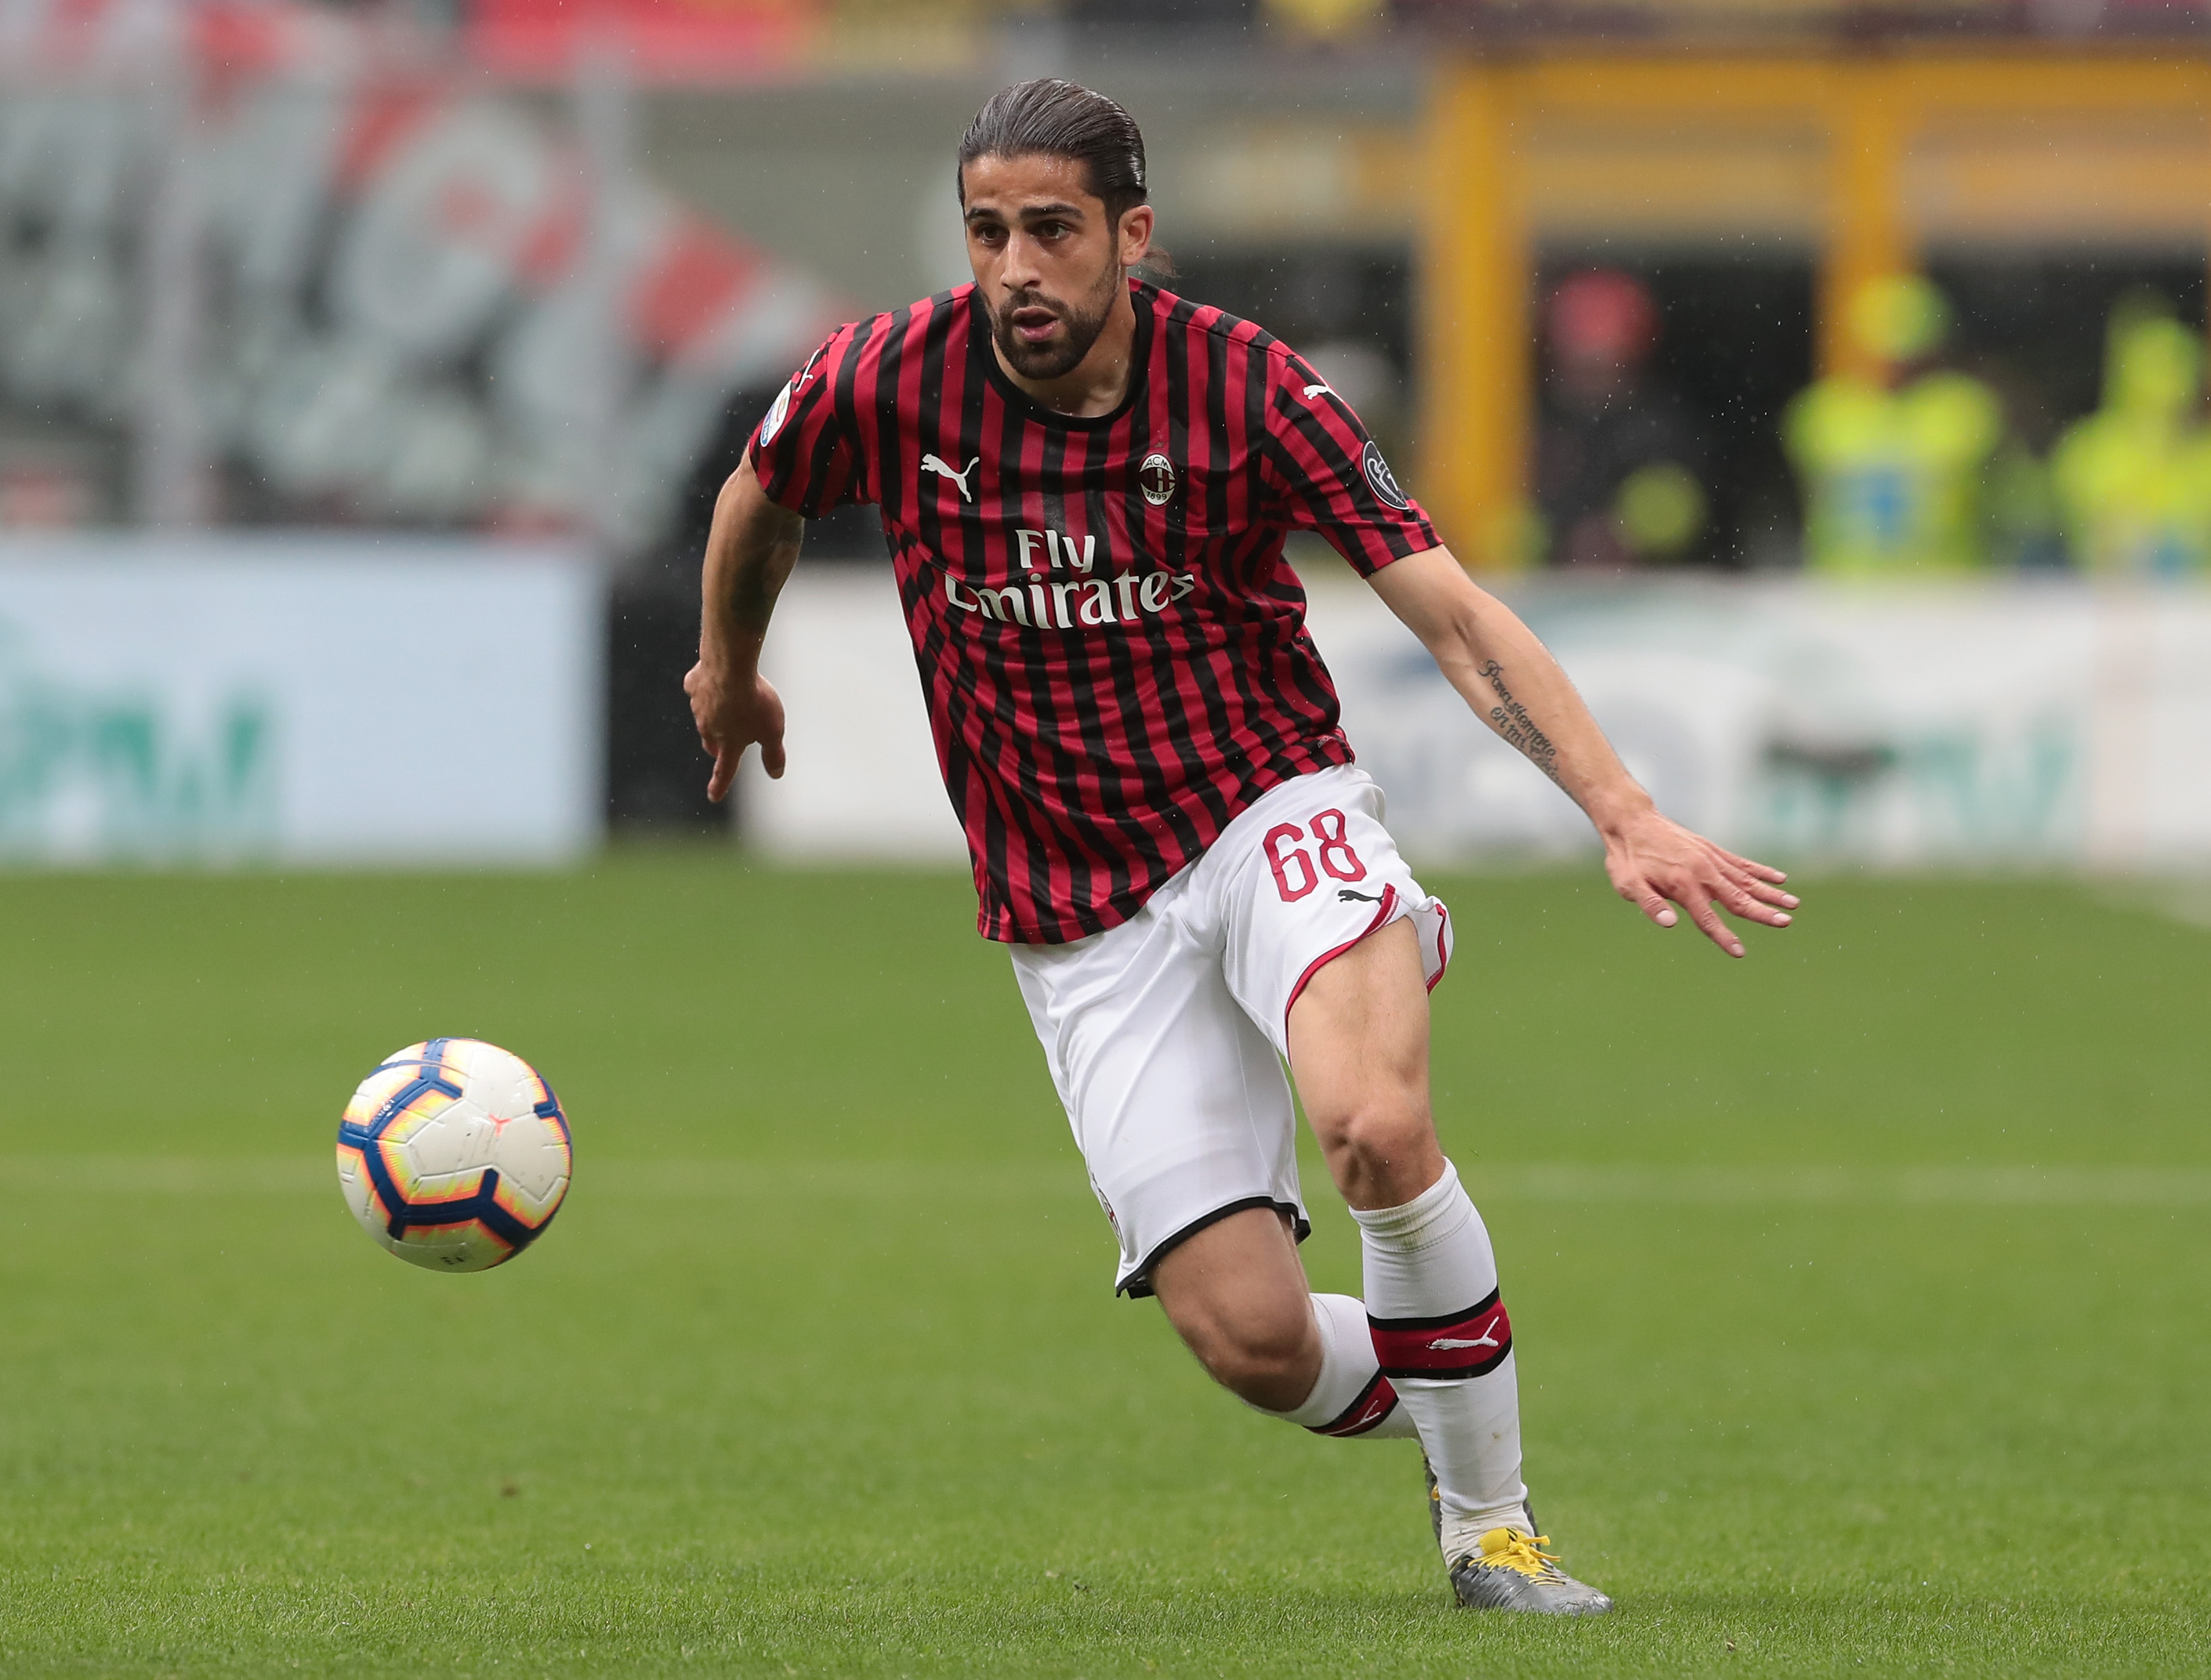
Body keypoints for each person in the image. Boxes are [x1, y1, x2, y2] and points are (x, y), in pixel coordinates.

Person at [686, 79, 1795, 1617]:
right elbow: (760, 495)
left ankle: (1496, 1529)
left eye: (1053, 231)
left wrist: (1621, 807)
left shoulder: (1252, 393)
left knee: (1376, 1131)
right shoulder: (891, 377)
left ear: (1132, 237)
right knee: (1252, 1339)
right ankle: (1454, 1383)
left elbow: (1454, 613)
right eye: (989, 232)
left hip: (1265, 807)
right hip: (1076, 904)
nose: (1017, 267)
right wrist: (729, 665)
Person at [1783, 273, 2007, 575]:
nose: (1896, 365)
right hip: (1846, 586)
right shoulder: (1825, 411)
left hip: (1944, 588)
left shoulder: (1962, 408)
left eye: (1908, 354)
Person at [1535, 268, 1709, 569]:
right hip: (1542, 588)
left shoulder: (1663, 427)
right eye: (1583, 356)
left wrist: (1623, 535)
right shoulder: (1530, 424)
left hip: (1648, 588)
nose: (1592, 370)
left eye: (1604, 358)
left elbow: (1692, 513)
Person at [2051, 306, 2211, 577]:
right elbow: (2089, 540)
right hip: (2108, 611)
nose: (2171, 391)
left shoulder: (2088, 448)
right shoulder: (2089, 450)